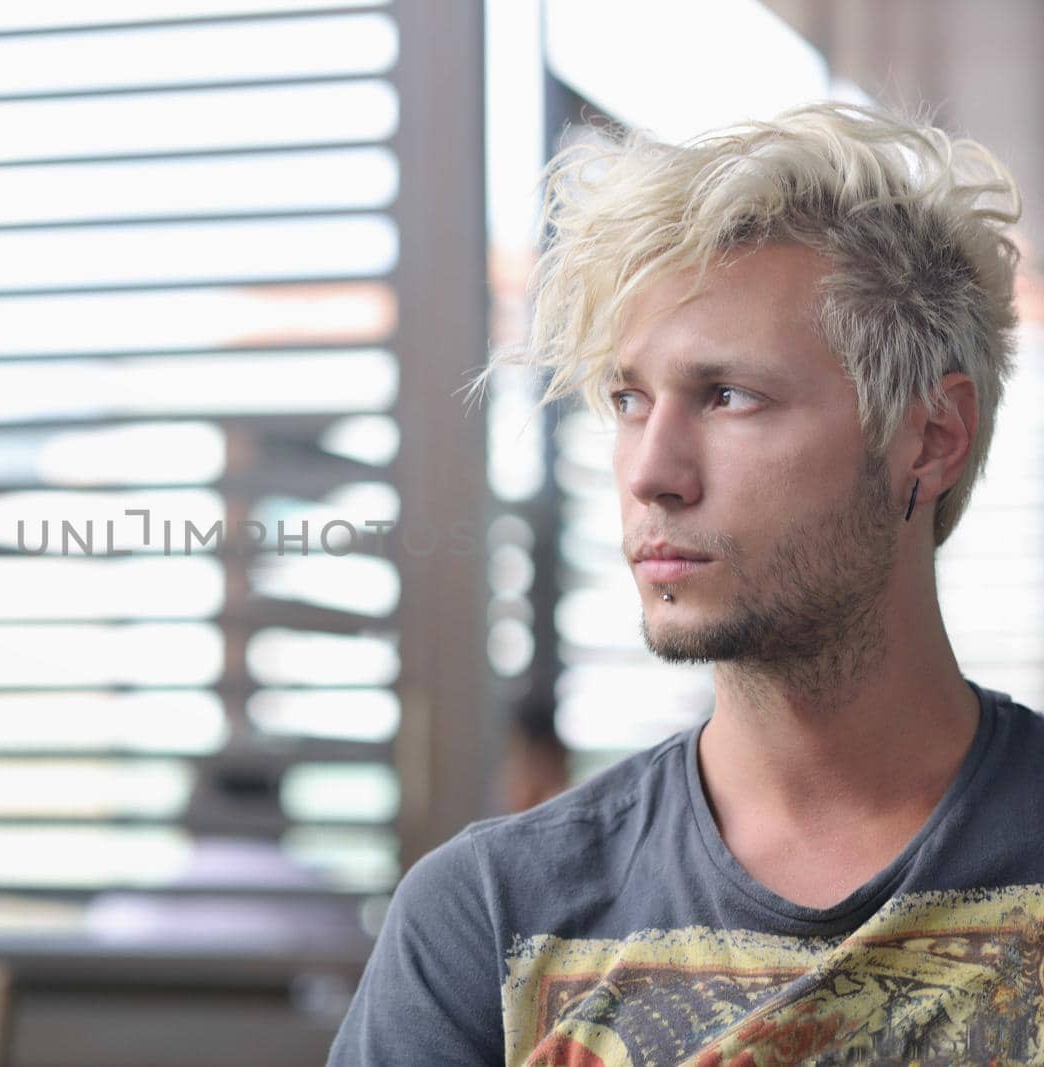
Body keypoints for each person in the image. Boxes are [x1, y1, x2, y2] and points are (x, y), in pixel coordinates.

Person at [327, 102, 1044, 1065]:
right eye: (629, 400)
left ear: (930, 437)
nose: (649, 471)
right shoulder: (490, 917)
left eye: (728, 395)